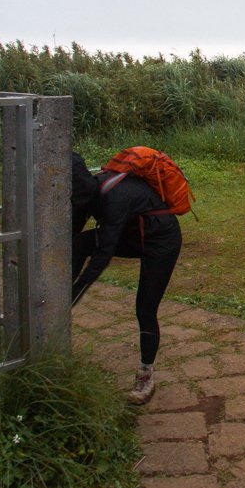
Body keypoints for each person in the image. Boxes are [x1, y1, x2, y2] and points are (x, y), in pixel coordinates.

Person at [71, 152, 182, 405]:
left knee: (145, 309)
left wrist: (76, 292)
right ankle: (64, 293)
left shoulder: (113, 197)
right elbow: (73, 236)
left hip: (161, 242)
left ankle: (146, 375)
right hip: (133, 234)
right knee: (77, 244)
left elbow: (103, 255)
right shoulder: (83, 193)